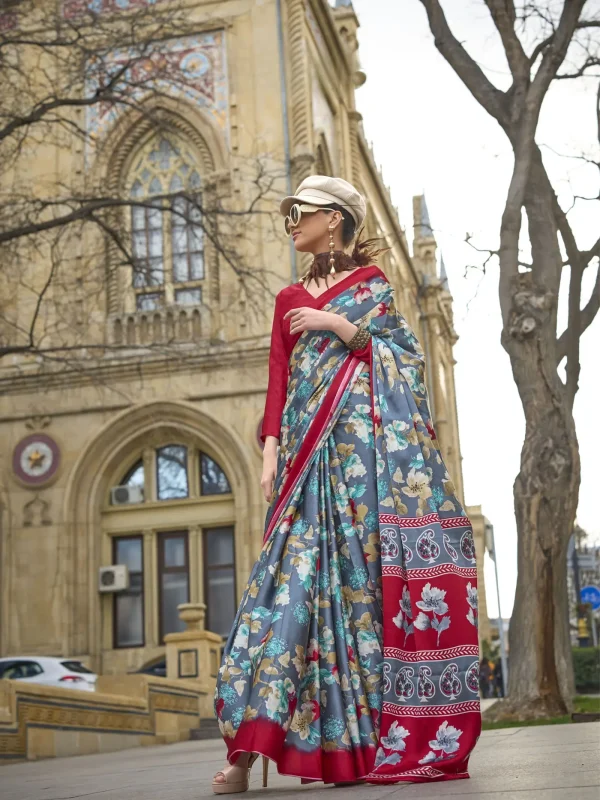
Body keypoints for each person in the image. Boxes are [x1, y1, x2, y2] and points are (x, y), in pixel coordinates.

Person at [212, 176, 481, 794]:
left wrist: (337, 324)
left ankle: (342, 751)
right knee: (283, 597)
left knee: (356, 604)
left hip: (367, 471)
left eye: (299, 213)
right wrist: (270, 452)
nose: (291, 223)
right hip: (304, 466)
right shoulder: (285, 298)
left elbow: (406, 365)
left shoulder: (373, 291)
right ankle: (243, 758)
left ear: (334, 219)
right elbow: (278, 381)